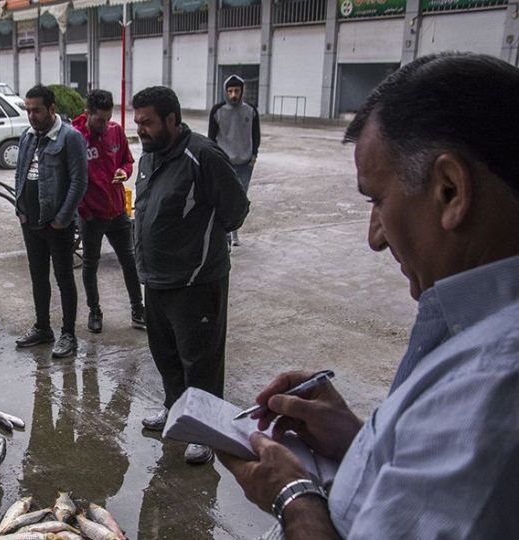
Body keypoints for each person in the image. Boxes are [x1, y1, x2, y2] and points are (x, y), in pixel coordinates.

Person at [219, 52, 519, 539]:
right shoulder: (470, 328)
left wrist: (294, 497)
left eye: (377, 200)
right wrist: (360, 442)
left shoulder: (493, 391)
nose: (375, 237)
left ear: (450, 190)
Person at [132, 86, 249, 464]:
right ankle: (176, 408)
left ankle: (206, 430)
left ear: (171, 119)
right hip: (157, 278)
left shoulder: (203, 156)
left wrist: (198, 249)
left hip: (197, 281)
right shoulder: (149, 158)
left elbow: (235, 209)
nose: (140, 129)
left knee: (200, 360)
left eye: (147, 122)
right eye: (137, 122)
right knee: (165, 354)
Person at [13, 84, 88, 359]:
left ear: (52, 109)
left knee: (64, 277)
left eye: (37, 110)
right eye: (28, 110)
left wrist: (62, 218)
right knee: (37, 276)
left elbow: (79, 181)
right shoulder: (26, 136)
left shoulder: (70, 138)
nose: (32, 116)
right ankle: (43, 327)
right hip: (30, 221)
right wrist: (20, 209)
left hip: (56, 224)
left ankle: (68, 334)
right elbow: (21, 173)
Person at [71, 89, 144, 334]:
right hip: (91, 216)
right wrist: (84, 210)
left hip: (117, 212)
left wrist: (124, 171)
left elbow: (127, 160)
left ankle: (138, 308)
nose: (104, 124)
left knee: (130, 261)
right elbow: (70, 179)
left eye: (107, 118)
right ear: (88, 113)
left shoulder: (115, 132)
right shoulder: (75, 138)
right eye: (99, 119)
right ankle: (94, 310)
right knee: (91, 265)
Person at [209, 75, 260, 247]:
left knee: (240, 198)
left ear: (242, 91)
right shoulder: (217, 111)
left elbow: (256, 135)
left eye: (236, 91)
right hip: (225, 162)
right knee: (224, 198)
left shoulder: (251, 111)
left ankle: (235, 232)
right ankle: (226, 235)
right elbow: (211, 138)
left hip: (245, 163)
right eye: (230, 91)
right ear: (225, 92)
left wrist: (254, 157)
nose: (233, 95)